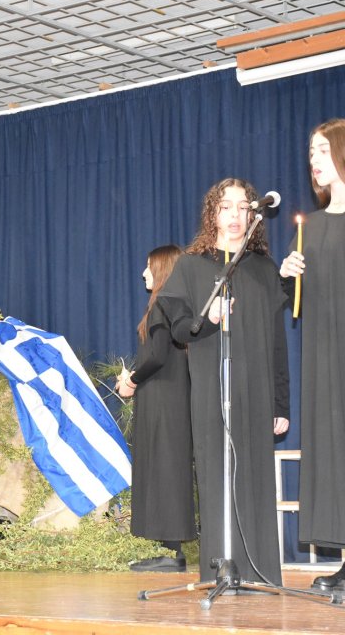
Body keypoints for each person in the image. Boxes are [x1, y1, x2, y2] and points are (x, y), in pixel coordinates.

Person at [158, 178, 290, 586]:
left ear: (253, 215)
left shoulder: (264, 269)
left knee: (254, 479)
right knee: (217, 477)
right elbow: (178, 329)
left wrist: (280, 403)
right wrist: (209, 318)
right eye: (226, 207)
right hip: (212, 392)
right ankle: (221, 571)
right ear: (212, 214)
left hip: (257, 393)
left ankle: (259, 573)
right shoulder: (191, 266)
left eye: (243, 207)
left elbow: (277, 342)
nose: (235, 215)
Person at [280, 118, 345, 591]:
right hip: (325, 358)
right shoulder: (311, 228)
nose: (314, 160)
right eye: (310, 153)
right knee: (334, 451)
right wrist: (287, 275)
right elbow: (294, 301)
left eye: (322, 150)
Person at [116, 245, 196, 573]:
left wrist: (131, 381)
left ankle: (172, 553)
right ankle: (167, 550)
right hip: (166, 399)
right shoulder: (171, 306)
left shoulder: (164, 304)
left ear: (162, 269)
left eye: (149, 267)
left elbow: (159, 355)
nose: (143, 273)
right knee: (165, 469)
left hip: (165, 401)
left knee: (166, 469)